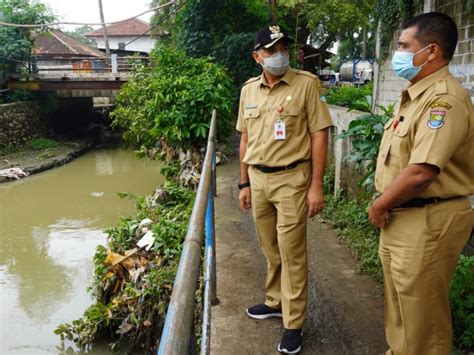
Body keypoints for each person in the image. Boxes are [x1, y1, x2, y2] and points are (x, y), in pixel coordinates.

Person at [368, 12, 474, 355]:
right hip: (402, 216)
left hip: (428, 218)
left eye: (404, 45)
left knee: (423, 320)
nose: (397, 53)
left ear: (431, 51)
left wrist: (380, 204)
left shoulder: (444, 100)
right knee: (400, 310)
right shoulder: (415, 94)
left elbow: (421, 172)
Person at [236, 25, 333, 354]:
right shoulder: (248, 90)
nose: (280, 54)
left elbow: (320, 134)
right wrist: (244, 181)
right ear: (257, 57)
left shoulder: (306, 84)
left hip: (292, 179)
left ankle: (294, 323)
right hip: (259, 181)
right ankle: (275, 301)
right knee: (270, 248)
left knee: (292, 253)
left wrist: (316, 185)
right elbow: (245, 138)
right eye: (272, 49)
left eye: (283, 48)